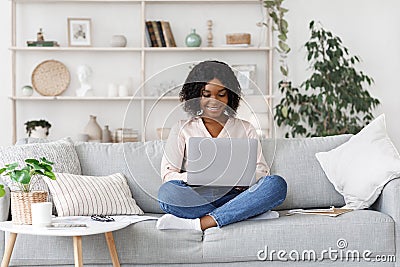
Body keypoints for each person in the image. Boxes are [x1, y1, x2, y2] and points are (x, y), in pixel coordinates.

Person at [157, 60, 287, 231]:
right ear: (196, 95)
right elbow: (168, 175)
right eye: (206, 94)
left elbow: (262, 172)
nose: (214, 101)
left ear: (230, 96)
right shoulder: (182, 128)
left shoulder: (245, 128)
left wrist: (240, 179)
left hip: (236, 195)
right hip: (197, 196)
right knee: (167, 193)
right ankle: (244, 213)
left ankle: (204, 222)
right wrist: (195, 176)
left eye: (221, 94)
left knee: (276, 185)